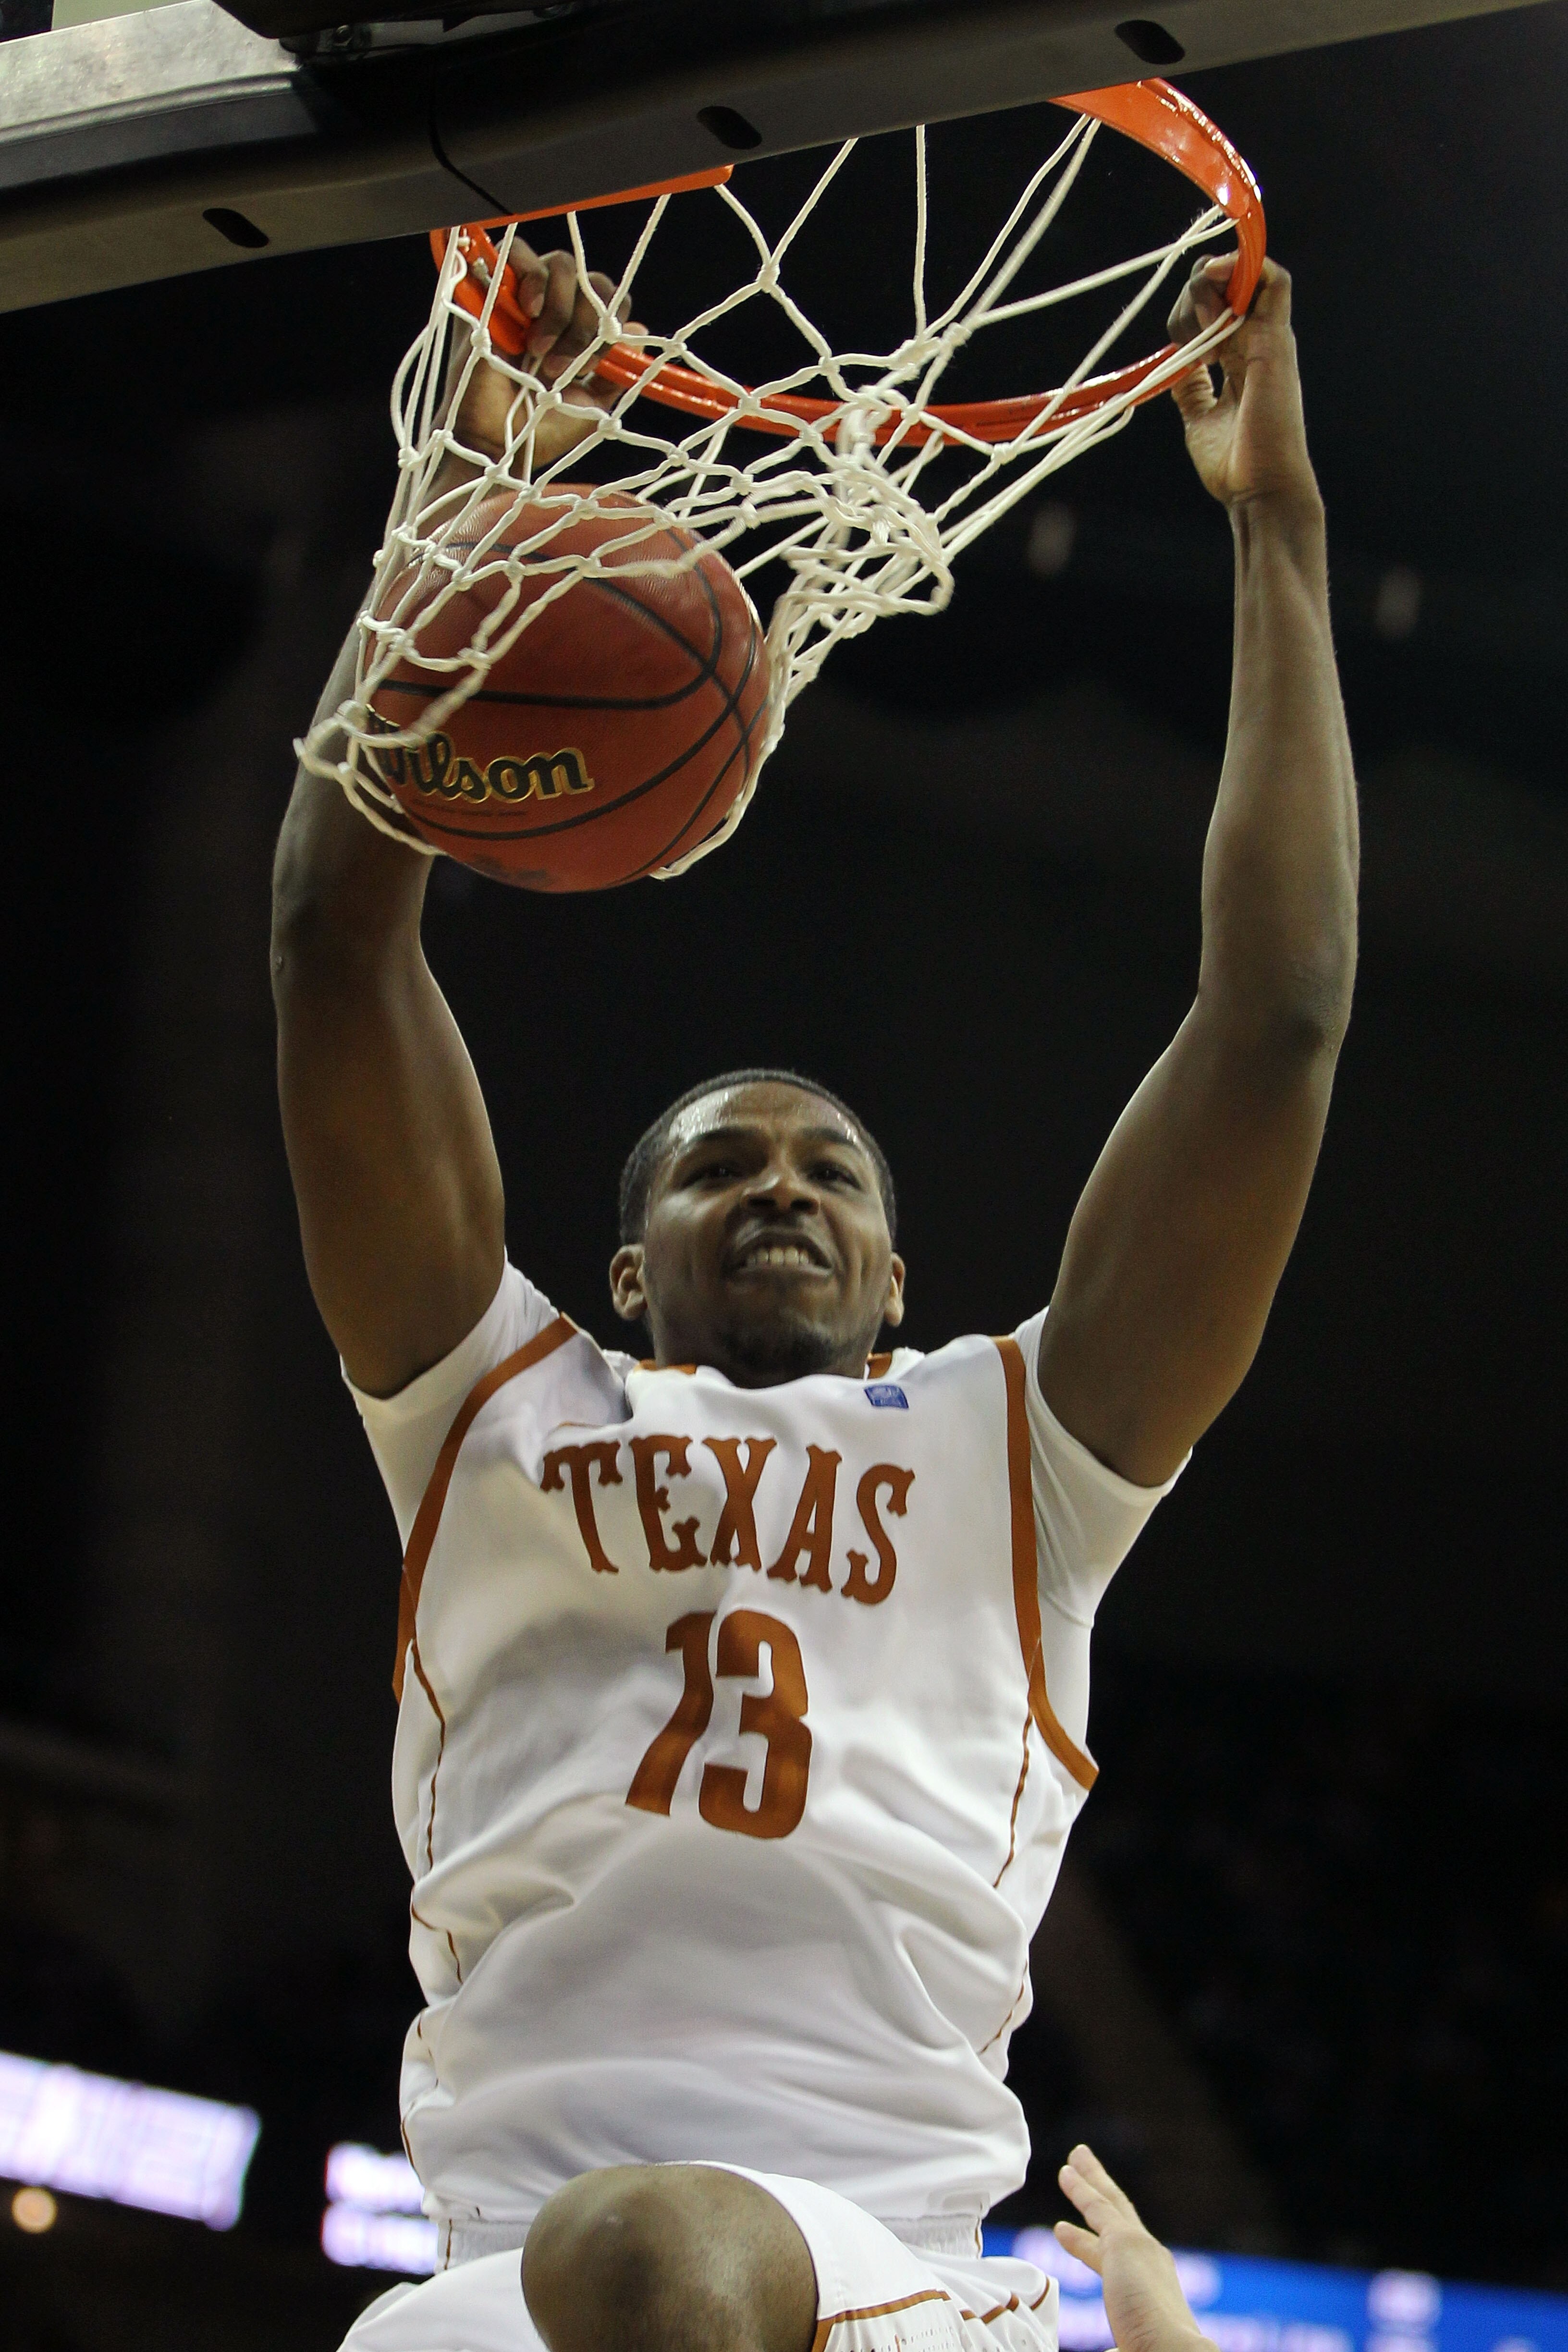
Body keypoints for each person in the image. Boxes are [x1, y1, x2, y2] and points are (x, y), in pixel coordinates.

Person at [271, 235, 1357, 2352]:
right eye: (718, 1165)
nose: (779, 1188)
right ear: (619, 1269)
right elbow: (336, 947)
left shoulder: (1016, 1457)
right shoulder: (491, 1408)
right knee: (614, 2260)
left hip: (869, 2254)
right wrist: (476, 504)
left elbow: (1278, 1027)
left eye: (828, 1170)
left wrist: (1285, 530)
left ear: (895, 1280)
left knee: (669, 2243)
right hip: (487, 2283)